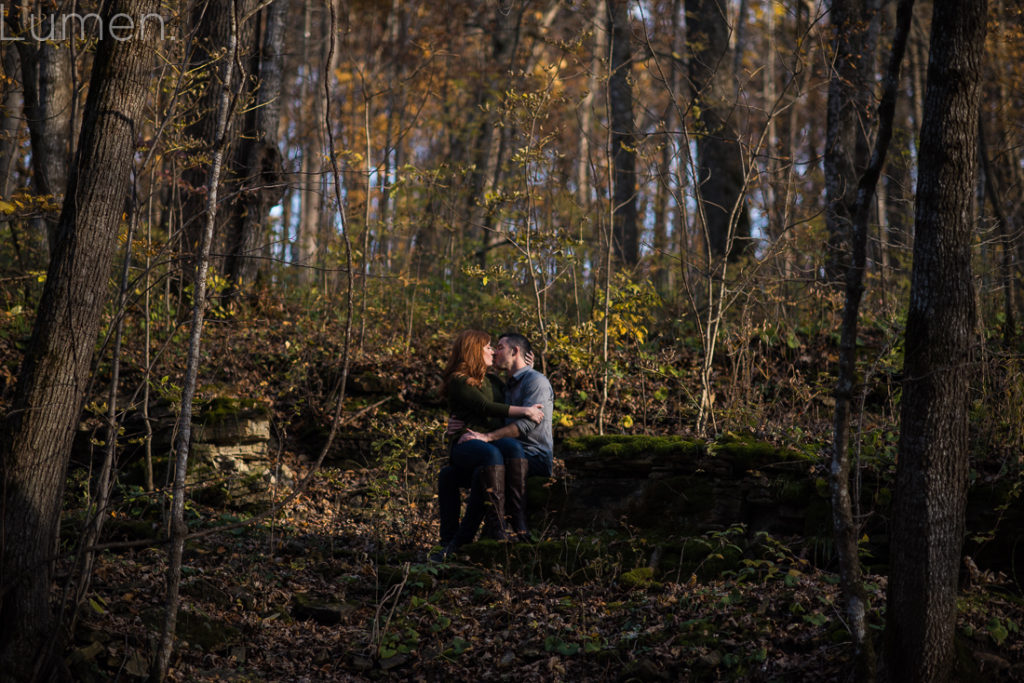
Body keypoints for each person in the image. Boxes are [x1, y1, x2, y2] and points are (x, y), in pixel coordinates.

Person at [439, 332, 553, 549]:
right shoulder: (462, 380)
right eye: (490, 347)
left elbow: (520, 403)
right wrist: (526, 410)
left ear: (515, 351)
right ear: (475, 351)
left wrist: (527, 370)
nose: (493, 351)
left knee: (504, 450)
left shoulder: (497, 381)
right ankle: (461, 539)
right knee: (471, 465)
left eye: (498, 347)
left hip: (512, 448)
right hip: (471, 442)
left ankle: (511, 525)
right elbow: (485, 407)